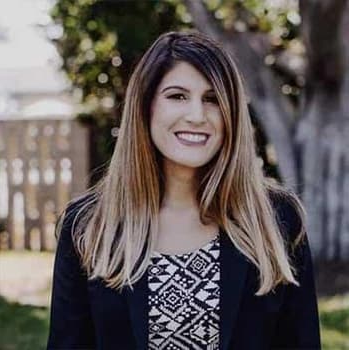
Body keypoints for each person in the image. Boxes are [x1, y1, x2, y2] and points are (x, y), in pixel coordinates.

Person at [47, 30, 321, 350]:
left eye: (212, 99)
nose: (196, 116)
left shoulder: (278, 221)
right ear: (146, 106)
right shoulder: (88, 226)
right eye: (177, 96)